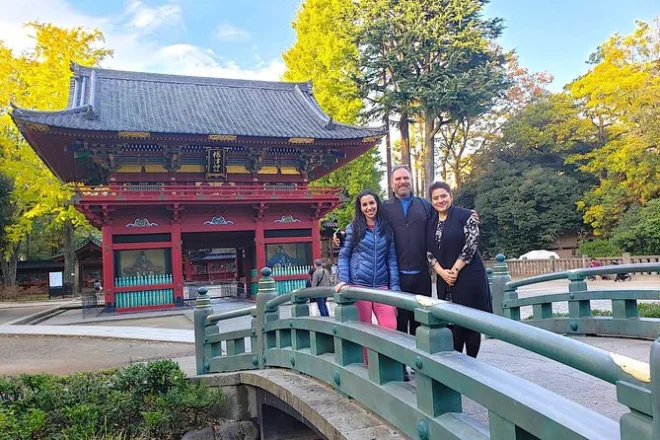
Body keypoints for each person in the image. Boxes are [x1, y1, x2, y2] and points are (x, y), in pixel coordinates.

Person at [426, 181, 492, 358]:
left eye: (443, 196)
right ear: (431, 201)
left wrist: (454, 270)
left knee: (470, 322)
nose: (440, 200)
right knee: (452, 323)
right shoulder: (431, 223)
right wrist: (441, 272)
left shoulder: (465, 216)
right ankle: (456, 362)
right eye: (436, 198)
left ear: (451, 196)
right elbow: (429, 251)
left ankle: (471, 362)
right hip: (444, 279)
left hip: (468, 275)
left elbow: (472, 243)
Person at [335, 190, 399, 362]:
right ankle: (368, 365)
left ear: (377, 204)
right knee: (364, 329)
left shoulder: (386, 229)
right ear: (360, 208)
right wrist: (344, 280)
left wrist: (395, 290)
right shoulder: (353, 228)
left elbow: (392, 260)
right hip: (359, 285)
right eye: (365, 204)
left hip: (381, 285)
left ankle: (384, 362)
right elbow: (344, 256)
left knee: (390, 326)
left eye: (372, 203)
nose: (369, 207)